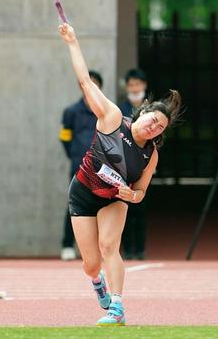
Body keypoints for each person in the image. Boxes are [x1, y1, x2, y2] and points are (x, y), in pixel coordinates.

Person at [58, 22, 181, 326]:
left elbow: (140, 192)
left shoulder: (151, 154)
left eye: (160, 128)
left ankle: (117, 307)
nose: (154, 127)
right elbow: (86, 82)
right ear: (143, 113)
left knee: (110, 247)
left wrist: (132, 195)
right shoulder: (113, 117)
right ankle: (96, 282)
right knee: (90, 264)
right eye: (153, 120)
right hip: (83, 193)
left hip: (114, 199)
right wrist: (73, 42)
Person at [59, 70, 103, 260]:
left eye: (94, 83)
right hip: (79, 166)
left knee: (102, 206)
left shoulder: (105, 110)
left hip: (103, 169)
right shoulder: (71, 112)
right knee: (74, 204)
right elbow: (65, 137)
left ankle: (100, 248)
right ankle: (68, 244)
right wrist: (75, 154)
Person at [119, 68, 148, 259]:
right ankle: (127, 250)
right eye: (131, 84)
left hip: (144, 165)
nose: (134, 88)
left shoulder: (153, 110)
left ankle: (140, 249)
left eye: (137, 84)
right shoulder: (119, 108)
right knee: (124, 209)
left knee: (141, 208)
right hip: (123, 167)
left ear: (144, 86)